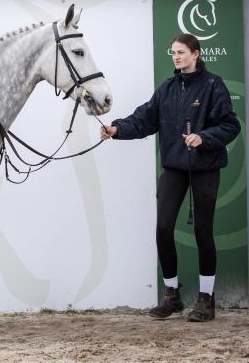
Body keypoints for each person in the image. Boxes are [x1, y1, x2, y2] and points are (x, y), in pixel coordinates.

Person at [100, 33, 240, 321]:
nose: (176, 57)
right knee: (163, 228)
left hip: (205, 166)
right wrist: (117, 129)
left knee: (203, 231)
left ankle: (206, 299)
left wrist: (204, 137)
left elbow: (230, 125)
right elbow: (145, 118)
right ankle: (172, 296)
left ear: (196, 53)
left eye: (181, 52)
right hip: (174, 166)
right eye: (173, 53)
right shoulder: (167, 88)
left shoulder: (213, 85)